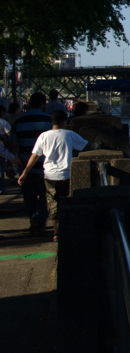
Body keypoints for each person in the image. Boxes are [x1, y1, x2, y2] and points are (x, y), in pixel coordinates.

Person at [18, 110, 90, 241]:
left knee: (53, 203)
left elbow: (34, 156)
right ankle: (69, 228)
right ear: (64, 121)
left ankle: (56, 233)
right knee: (68, 201)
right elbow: (87, 146)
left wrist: (24, 173)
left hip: (49, 175)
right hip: (67, 174)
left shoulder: (43, 136)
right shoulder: (69, 134)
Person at [9, 92, 51, 233]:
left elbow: (13, 146)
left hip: (24, 166)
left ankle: (33, 217)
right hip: (44, 166)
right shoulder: (49, 120)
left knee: (29, 196)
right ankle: (39, 219)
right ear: (41, 104)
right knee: (46, 195)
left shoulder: (18, 121)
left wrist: (10, 165)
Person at [0, 105, 12, 194]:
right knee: (1, 168)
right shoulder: (3, 122)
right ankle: (1, 188)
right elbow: (10, 134)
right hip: (2, 147)